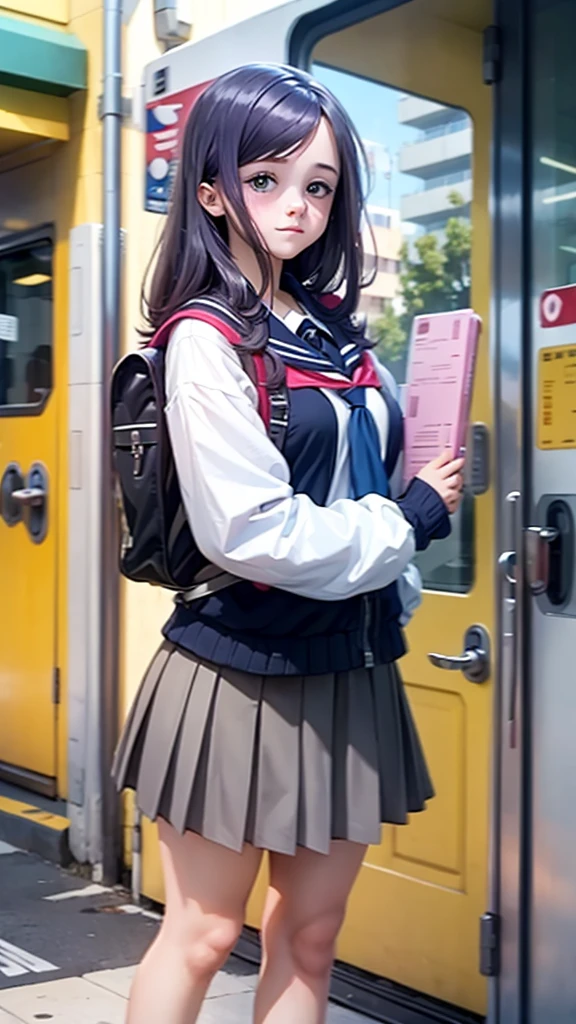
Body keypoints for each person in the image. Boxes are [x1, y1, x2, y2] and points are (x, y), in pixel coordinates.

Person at [112, 63, 464, 1024]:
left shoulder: (340, 336)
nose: (297, 207)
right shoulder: (204, 337)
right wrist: (414, 519)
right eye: (267, 180)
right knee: (202, 934)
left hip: (349, 664)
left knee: (312, 939)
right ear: (214, 190)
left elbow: (355, 480)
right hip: (237, 669)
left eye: (318, 185)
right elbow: (250, 529)